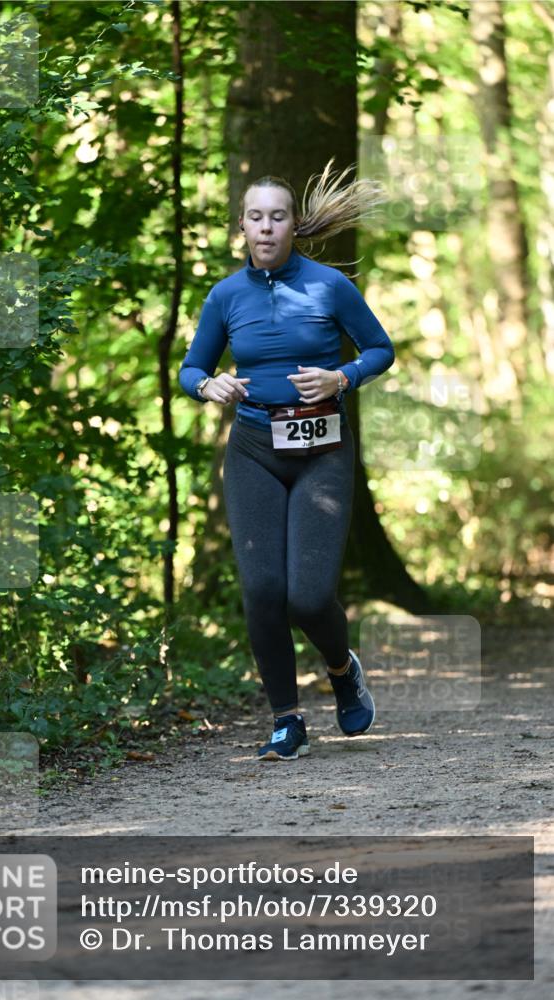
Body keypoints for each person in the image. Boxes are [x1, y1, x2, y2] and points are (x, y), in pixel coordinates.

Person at [178, 157, 395, 761]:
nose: (266, 228)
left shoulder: (329, 285)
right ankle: (286, 719)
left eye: (277, 217)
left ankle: (341, 667)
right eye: (255, 217)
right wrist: (206, 386)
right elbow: (191, 366)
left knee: (307, 595)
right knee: (264, 589)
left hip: (323, 450)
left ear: (294, 226)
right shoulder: (225, 297)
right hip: (253, 450)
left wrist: (342, 377)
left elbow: (381, 349)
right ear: (242, 228)